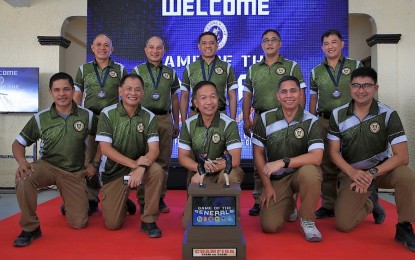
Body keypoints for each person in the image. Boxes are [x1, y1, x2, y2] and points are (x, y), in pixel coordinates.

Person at [328, 67, 415, 252]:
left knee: (407, 176)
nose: (361, 90)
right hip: (353, 173)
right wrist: (353, 172)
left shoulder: (388, 114)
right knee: (344, 224)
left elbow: (402, 156)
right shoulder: (338, 114)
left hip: (382, 170)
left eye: (367, 85)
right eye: (356, 85)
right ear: (350, 87)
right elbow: (334, 153)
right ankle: (371, 202)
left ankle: (404, 225)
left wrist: (372, 173)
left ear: (375, 88)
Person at [12, 72, 97, 247]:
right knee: (23, 177)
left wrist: (94, 163)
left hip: (73, 172)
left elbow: (103, 140)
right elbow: (17, 144)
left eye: (66, 89)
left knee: (79, 223)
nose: (62, 94)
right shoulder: (40, 118)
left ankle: (70, 203)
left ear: (73, 90)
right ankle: (30, 228)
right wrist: (22, 162)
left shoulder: (87, 116)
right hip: (47, 166)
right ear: (51, 92)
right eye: (57, 90)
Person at [252, 75, 324, 242]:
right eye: (284, 92)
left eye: (293, 91)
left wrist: (283, 161)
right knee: (269, 226)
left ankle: (307, 220)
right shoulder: (265, 118)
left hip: (301, 174)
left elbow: (317, 157)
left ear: (300, 94)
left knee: (311, 172)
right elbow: (258, 154)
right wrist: (267, 186)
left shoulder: (312, 121)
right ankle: (290, 204)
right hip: (278, 178)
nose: (289, 95)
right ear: (278, 96)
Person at [243, 29, 307, 216]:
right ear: (262, 45)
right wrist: (246, 118)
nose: (270, 43)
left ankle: (290, 203)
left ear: (280, 43)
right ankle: (258, 198)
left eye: (273, 40)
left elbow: (300, 93)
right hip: (261, 119)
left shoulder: (291, 66)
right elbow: (247, 95)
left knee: (288, 160)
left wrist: (299, 119)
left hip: (287, 118)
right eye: (266, 41)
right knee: (259, 160)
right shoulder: (254, 68)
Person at [95, 74, 164, 238]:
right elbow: (105, 148)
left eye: (137, 89)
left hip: (140, 168)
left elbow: (154, 150)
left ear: (143, 93)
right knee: (113, 224)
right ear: (120, 91)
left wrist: (141, 168)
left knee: (157, 170)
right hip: (114, 172)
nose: (133, 93)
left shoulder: (149, 116)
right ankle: (123, 200)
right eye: (128, 89)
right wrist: (135, 165)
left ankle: (148, 221)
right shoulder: (108, 113)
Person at [73, 33, 133, 215]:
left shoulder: (120, 69)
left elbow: (126, 95)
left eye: (106, 45)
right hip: (92, 119)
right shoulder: (83, 69)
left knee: (117, 161)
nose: (102, 48)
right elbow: (77, 95)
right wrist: (75, 118)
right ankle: (91, 199)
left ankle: (121, 196)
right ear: (92, 47)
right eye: (98, 44)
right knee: (91, 159)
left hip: (115, 121)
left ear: (112, 49)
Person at [310, 29, 362, 219]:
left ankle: (364, 200)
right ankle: (329, 205)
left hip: (351, 120)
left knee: (352, 161)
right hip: (325, 121)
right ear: (322, 47)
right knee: (327, 165)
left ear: (342, 44)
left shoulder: (355, 65)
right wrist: (313, 120)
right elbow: (313, 98)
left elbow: (363, 91)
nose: (330, 46)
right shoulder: (316, 71)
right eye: (326, 43)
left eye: (334, 42)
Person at [178, 81, 244, 228]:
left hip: (223, 171)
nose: (209, 102)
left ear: (218, 99)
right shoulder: (189, 124)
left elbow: (235, 160)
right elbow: (182, 157)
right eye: (203, 98)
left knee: (231, 175)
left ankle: (231, 222)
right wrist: (200, 169)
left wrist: (205, 169)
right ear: (195, 102)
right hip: (200, 174)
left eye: (213, 97)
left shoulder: (229, 124)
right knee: (188, 224)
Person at [131, 36, 180, 214]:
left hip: (164, 119)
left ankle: (159, 198)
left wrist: (176, 121)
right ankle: (143, 200)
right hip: (143, 119)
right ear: (145, 50)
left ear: (164, 50)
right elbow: (131, 96)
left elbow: (175, 98)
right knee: (144, 160)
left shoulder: (170, 73)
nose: (155, 51)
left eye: (159, 48)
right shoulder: (137, 70)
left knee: (163, 161)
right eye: (151, 47)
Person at [180, 31, 238, 120]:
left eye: (211, 43)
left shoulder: (226, 67)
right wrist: (184, 122)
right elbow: (184, 96)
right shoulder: (190, 68)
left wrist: (232, 121)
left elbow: (232, 96)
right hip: (195, 115)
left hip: (220, 115)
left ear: (217, 46)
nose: (208, 46)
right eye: (204, 43)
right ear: (199, 46)